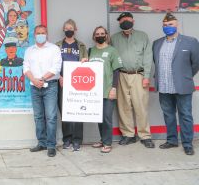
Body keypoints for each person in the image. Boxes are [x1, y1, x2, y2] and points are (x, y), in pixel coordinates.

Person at [152, 13, 199, 156]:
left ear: (177, 24)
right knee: (168, 114)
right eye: (165, 25)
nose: (168, 27)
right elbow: (156, 62)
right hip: (164, 86)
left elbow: (196, 63)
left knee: (185, 114)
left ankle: (187, 144)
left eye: (170, 24)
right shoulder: (157, 43)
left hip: (182, 86)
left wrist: (185, 76)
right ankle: (172, 140)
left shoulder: (190, 41)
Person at [111, 12, 154, 148]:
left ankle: (144, 135)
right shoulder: (114, 38)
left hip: (138, 75)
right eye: (122, 19)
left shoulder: (142, 36)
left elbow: (148, 57)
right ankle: (128, 134)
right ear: (119, 22)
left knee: (140, 106)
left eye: (127, 19)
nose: (125, 21)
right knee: (123, 106)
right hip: (121, 75)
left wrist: (146, 76)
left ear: (133, 21)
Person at [23, 25, 62, 157]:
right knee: (38, 117)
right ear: (34, 35)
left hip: (50, 85)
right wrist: (34, 80)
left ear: (47, 34)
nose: (40, 35)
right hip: (34, 86)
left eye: (43, 33)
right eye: (38, 33)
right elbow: (26, 67)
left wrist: (41, 79)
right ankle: (41, 143)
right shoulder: (29, 50)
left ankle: (51, 145)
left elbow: (56, 68)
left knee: (51, 117)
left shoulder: (54, 49)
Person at [55, 19, 88, 151]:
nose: (69, 30)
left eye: (71, 27)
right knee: (65, 111)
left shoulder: (81, 46)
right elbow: (54, 64)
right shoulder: (58, 45)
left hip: (77, 83)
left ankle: (77, 140)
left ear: (75, 29)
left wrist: (85, 60)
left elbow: (86, 63)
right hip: (62, 82)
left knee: (78, 111)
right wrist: (59, 77)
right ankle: (67, 139)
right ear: (64, 30)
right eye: (66, 28)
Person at [89, 26, 123, 154]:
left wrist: (114, 88)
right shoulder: (90, 50)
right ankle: (103, 140)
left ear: (106, 35)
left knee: (107, 117)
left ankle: (108, 143)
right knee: (99, 117)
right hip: (94, 91)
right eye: (97, 33)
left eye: (102, 33)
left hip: (108, 90)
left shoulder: (112, 51)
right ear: (94, 36)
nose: (100, 35)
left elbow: (116, 71)